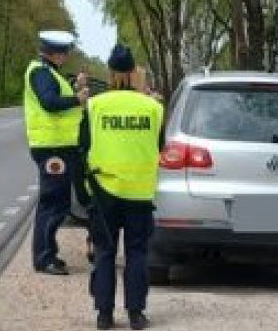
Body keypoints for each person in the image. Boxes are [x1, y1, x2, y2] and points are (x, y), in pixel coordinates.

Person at [80, 44, 164, 330]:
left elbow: (82, 148)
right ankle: (136, 314)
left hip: (104, 192)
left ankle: (104, 315)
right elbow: (160, 146)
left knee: (104, 252)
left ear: (111, 73)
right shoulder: (153, 108)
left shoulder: (94, 105)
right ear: (133, 72)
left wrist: (84, 194)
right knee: (137, 253)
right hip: (139, 194)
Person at [23, 30, 88, 276]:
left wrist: (73, 87)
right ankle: (43, 258)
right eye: (65, 52)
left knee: (58, 202)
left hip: (58, 146)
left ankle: (48, 253)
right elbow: (49, 102)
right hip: (51, 147)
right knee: (52, 204)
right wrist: (77, 99)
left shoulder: (47, 72)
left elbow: (54, 94)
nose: (67, 56)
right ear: (55, 53)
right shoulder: (40, 72)